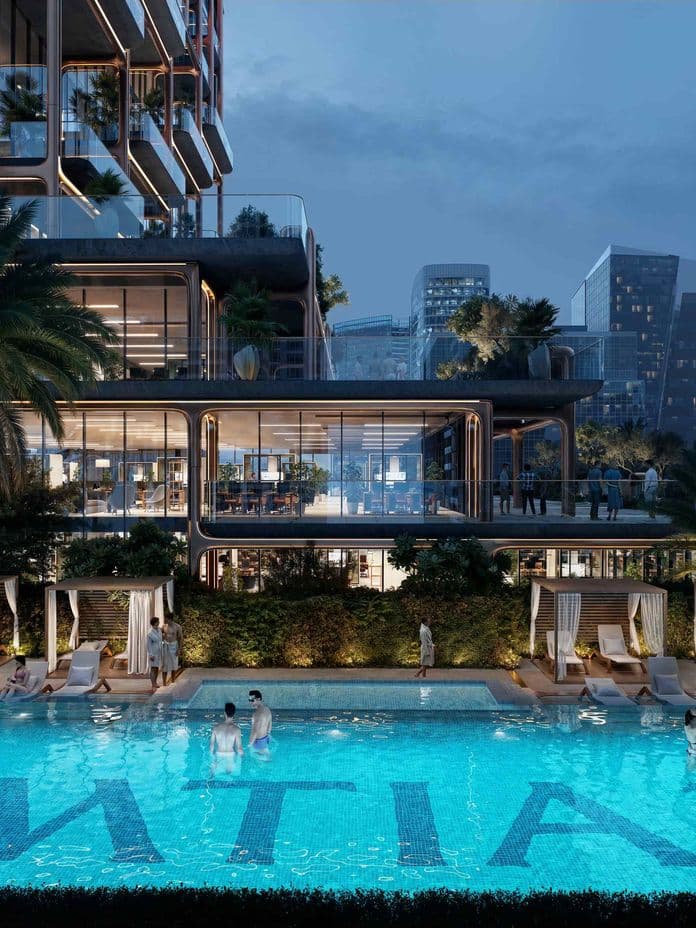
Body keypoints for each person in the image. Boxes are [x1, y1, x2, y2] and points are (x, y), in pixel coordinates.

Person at [210, 702, 244, 773]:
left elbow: (211, 747)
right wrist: (241, 759)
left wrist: (213, 760)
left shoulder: (216, 728)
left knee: (215, 776)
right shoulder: (237, 729)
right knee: (230, 778)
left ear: (224, 713)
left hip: (219, 754)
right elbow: (239, 749)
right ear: (234, 714)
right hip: (230, 755)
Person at [248, 689, 273, 756]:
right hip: (265, 739)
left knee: (259, 762)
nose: (251, 702)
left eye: (252, 700)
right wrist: (268, 736)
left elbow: (255, 731)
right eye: (249, 700)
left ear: (259, 699)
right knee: (266, 757)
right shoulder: (267, 709)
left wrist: (250, 745)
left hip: (257, 742)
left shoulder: (256, 714)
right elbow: (270, 724)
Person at [161, 615, 183, 686]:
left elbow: (180, 639)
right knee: (165, 665)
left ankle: (173, 681)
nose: (165, 621)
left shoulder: (177, 627)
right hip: (166, 646)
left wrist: (179, 650)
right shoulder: (164, 626)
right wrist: (162, 637)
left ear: (170, 619)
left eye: (166, 619)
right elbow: (158, 634)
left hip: (174, 646)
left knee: (174, 665)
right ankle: (164, 683)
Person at [147, 616, 162, 694]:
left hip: (159, 652)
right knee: (153, 669)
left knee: (156, 668)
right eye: (158, 621)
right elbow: (148, 645)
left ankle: (155, 683)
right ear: (154, 622)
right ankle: (153, 685)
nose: (159, 622)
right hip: (153, 653)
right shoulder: (150, 633)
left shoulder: (159, 629)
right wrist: (151, 655)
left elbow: (160, 640)